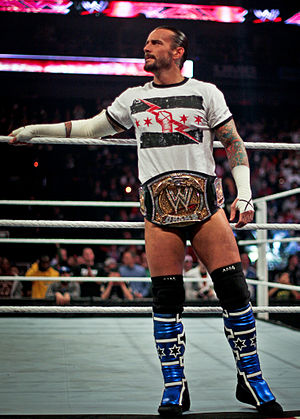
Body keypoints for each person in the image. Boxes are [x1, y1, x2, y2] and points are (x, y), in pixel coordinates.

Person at [9, 26, 283, 417]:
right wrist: (36, 131)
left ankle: (252, 379)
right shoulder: (134, 99)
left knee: (236, 294)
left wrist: (245, 194)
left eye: (155, 42)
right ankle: (175, 385)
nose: (146, 47)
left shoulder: (206, 92)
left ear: (178, 51)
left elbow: (233, 143)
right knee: (167, 301)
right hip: (160, 214)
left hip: (206, 209)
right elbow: (90, 129)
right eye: (147, 43)